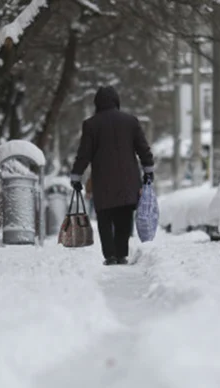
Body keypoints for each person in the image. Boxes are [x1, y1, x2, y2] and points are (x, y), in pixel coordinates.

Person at [70, 85, 154, 266]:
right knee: (124, 216)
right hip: (128, 180)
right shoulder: (130, 121)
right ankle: (121, 253)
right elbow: (143, 148)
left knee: (105, 217)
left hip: (103, 181)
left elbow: (84, 154)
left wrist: (76, 175)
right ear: (117, 101)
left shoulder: (91, 125)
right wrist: (148, 170)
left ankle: (110, 255)